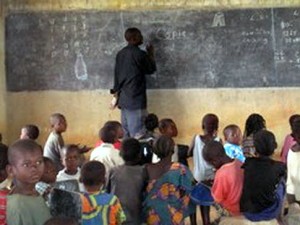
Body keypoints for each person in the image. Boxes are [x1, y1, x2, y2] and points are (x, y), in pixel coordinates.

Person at [111, 27, 156, 138]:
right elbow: (151, 69)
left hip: (124, 100)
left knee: (126, 135)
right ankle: (136, 155)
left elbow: (116, 76)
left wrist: (115, 96)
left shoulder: (120, 54)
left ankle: (128, 155)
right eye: (140, 35)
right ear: (135, 38)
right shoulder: (140, 54)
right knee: (138, 135)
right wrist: (151, 54)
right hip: (136, 101)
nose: (142, 37)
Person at [143, 135, 195, 225]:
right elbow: (190, 191)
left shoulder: (147, 168)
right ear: (173, 150)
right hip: (173, 218)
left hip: (151, 217)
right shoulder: (181, 169)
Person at [240, 130, 286, 223]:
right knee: (282, 184)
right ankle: (280, 218)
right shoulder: (280, 166)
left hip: (247, 212)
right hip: (268, 213)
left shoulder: (248, 162)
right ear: (275, 146)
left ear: (255, 148)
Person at [5, 139, 51, 225]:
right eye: (26, 164)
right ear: (11, 170)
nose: (34, 168)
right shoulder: (17, 205)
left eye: (39, 162)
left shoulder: (35, 193)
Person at [189, 113, 221, 225]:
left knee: (191, 203)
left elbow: (188, 153)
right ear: (217, 128)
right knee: (205, 208)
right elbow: (221, 160)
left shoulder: (196, 138)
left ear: (202, 126)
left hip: (197, 179)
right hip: (210, 180)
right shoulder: (218, 140)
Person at [107, 138, 148, 225]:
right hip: (136, 218)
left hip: (116, 217)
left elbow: (107, 192)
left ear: (120, 153)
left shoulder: (113, 171)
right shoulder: (143, 172)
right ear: (139, 154)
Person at [203, 141, 244, 219]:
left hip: (230, 210)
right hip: (243, 207)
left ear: (214, 160)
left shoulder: (221, 173)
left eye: (211, 164)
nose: (213, 166)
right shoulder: (239, 163)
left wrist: (211, 187)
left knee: (205, 193)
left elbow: (218, 198)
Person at [80, 161, 126, 225]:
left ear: (81, 180)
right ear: (104, 180)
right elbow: (121, 221)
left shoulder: (77, 201)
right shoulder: (112, 200)